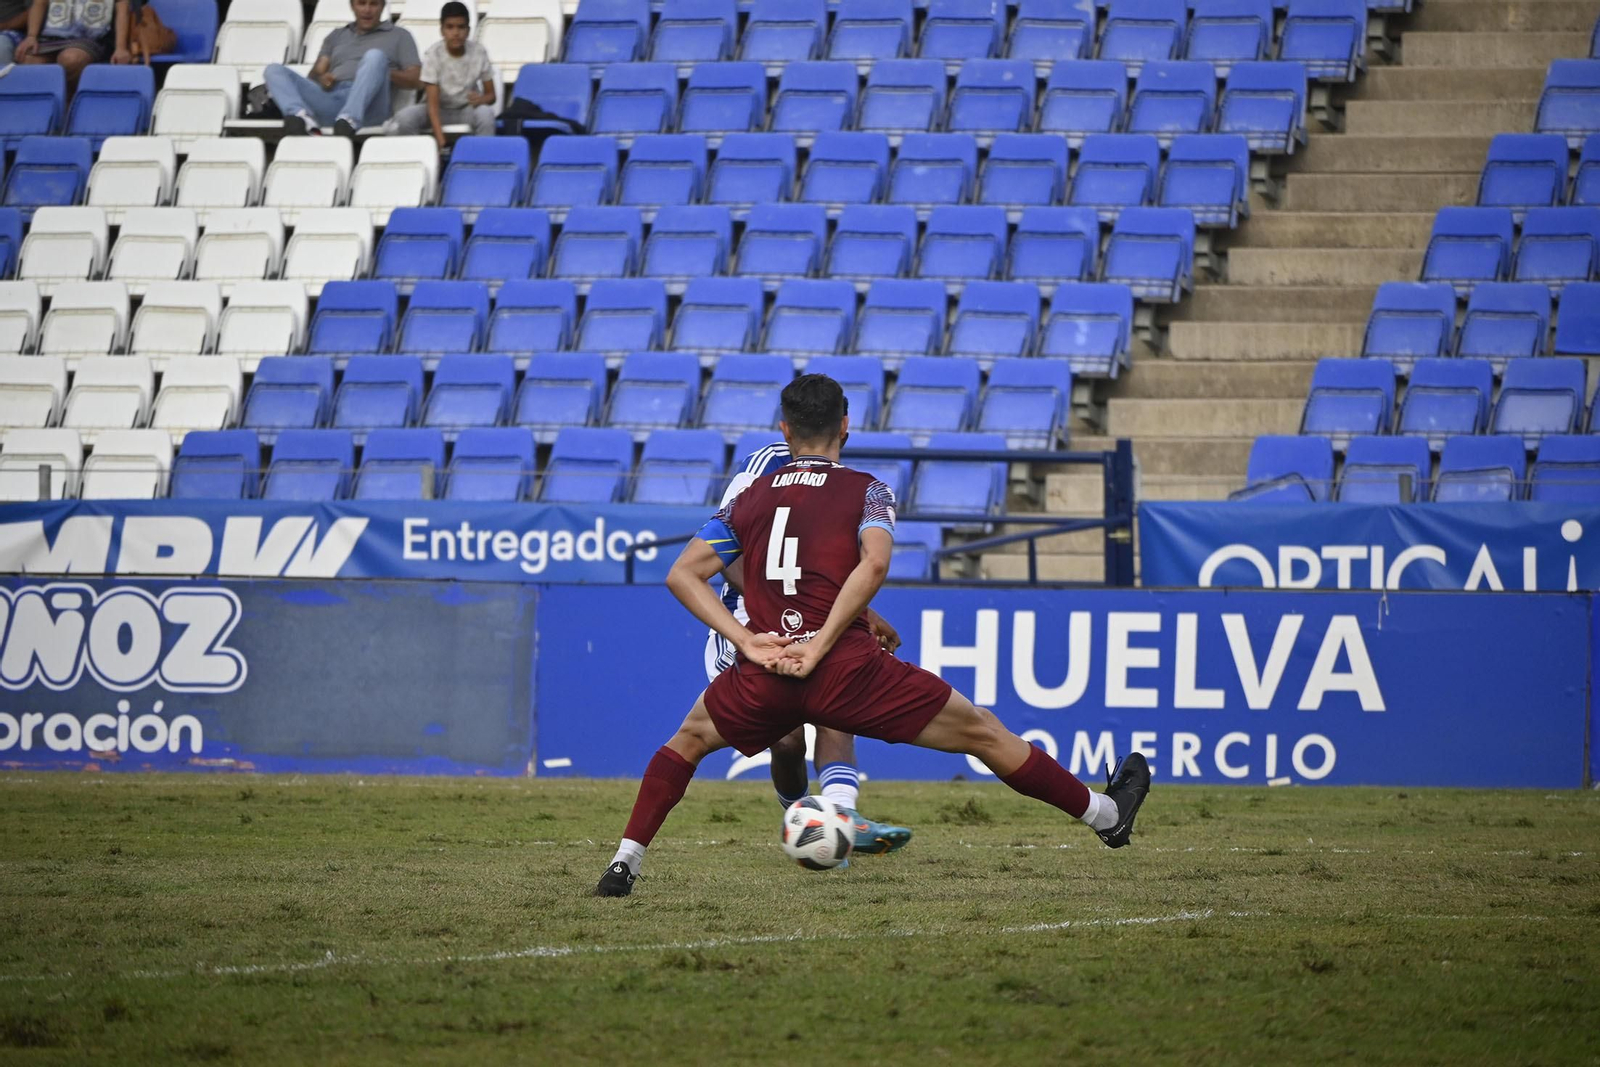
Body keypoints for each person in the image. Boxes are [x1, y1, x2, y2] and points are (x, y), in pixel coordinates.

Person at [595, 375, 1151, 897]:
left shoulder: (749, 498)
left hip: (767, 672)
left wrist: (746, 639)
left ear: (784, 430)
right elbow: (875, 564)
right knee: (983, 732)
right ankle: (1107, 816)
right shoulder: (868, 490)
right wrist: (821, 640)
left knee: (685, 744)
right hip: (847, 671)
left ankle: (625, 861)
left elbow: (681, 573)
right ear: (846, 426)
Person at [708, 440, 914, 857]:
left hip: (812, 621)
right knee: (786, 744)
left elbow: (819, 570)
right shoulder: (764, 464)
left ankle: (841, 818)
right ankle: (801, 819)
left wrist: (862, 614)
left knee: (835, 711)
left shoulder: (839, 480)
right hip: (753, 624)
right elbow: (722, 557)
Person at [263, 0, 420, 139]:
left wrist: (381, 72)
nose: (367, 9)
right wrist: (322, 78)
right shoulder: (336, 36)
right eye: (362, 3)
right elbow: (316, 72)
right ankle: (300, 117)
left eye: (373, 3)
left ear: (382, 6)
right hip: (334, 100)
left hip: (371, 106)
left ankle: (350, 119)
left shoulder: (400, 35)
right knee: (273, 70)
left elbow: (416, 79)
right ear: (352, 5)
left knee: (375, 56)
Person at [382, 1, 494, 145]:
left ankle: (482, 158)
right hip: (435, 109)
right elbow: (432, 105)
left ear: (468, 30)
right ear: (442, 30)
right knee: (405, 118)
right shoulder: (433, 55)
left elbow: (491, 95)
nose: (456, 33)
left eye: (461, 27)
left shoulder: (479, 52)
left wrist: (481, 100)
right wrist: (441, 142)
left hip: (466, 109)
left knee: (485, 114)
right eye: (450, 27)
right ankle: (421, 155)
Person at [12, 0, 132, 92]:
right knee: (28, 60)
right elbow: (39, 2)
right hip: (52, 36)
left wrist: (120, 47)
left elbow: (123, 9)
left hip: (91, 38)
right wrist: (31, 36)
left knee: (70, 59)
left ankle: (68, 102)